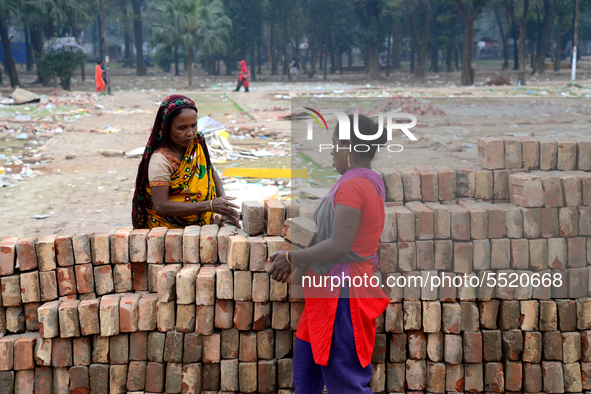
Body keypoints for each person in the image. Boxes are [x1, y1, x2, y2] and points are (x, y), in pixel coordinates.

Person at [267, 114, 390, 393]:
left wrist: (290, 257)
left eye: (334, 144)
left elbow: (339, 246)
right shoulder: (366, 180)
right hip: (326, 294)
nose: (332, 151)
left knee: (345, 383)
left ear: (348, 146)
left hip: (344, 297)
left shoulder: (353, 185)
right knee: (306, 377)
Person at [131, 94, 240, 229]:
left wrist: (224, 205)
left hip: (202, 224)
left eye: (194, 125)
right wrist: (209, 205)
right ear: (167, 128)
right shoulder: (161, 160)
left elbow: (208, 169)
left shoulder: (197, 143)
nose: (190, 133)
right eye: (182, 128)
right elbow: (161, 206)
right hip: (167, 230)